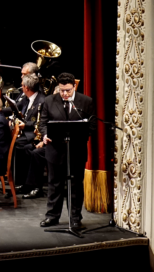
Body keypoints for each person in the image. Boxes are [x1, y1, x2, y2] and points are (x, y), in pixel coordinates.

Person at [38, 73, 94, 230]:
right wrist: (45, 134)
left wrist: (81, 134)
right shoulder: (49, 100)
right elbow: (43, 123)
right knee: (54, 185)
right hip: (55, 150)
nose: (64, 94)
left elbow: (92, 125)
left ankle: (75, 218)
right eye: (62, 90)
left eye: (68, 90)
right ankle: (52, 216)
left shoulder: (86, 101)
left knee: (75, 186)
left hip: (76, 150)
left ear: (74, 87)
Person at [14, 73, 47, 199]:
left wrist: (26, 125)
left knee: (26, 148)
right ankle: (25, 183)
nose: (21, 87)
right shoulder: (26, 98)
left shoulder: (42, 101)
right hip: (28, 132)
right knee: (19, 147)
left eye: (22, 85)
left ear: (26, 88)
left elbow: (41, 121)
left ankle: (34, 185)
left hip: (35, 134)